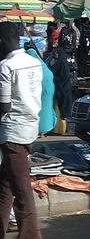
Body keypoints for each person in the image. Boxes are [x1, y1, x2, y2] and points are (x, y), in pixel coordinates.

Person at [0, 22, 43, 238]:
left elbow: (4, 105)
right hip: (29, 128)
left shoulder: (6, 66)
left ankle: (30, 235)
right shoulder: (34, 62)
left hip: (12, 132)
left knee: (21, 190)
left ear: (3, 41)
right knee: (6, 185)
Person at [26, 48, 56, 135]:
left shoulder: (33, 67)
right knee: (47, 108)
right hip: (49, 92)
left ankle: (40, 128)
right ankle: (46, 127)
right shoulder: (44, 66)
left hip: (40, 92)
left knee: (39, 109)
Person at [49, 47, 73, 120]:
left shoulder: (61, 63)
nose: (55, 54)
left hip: (62, 87)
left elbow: (55, 74)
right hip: (62, 87)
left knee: (63, 104)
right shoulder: (59, 62)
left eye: (56, 53)